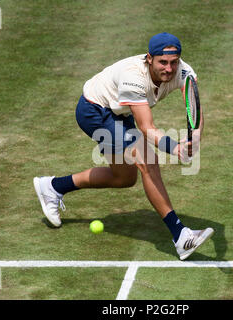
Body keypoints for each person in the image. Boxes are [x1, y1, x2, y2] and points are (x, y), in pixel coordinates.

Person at [34, 32, 214, 260]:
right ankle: (181, 236)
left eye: (173, 62)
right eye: (162, 62)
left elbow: (195, 110)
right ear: (149, 59)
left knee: (124, 178)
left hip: (119, 111)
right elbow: (147, 128)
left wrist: (194, 140)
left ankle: (53, 187)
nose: (169, 69)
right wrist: (176, 148)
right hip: (94, 110)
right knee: (148, 159)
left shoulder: (185, 73)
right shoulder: (133, 78)